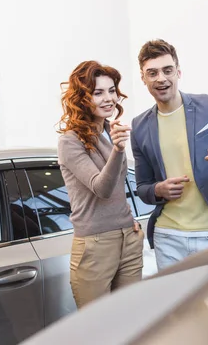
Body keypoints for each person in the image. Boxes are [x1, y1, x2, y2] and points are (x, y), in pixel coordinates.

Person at [130, 39, 208, 271]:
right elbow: (142, 187)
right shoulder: (139, 126)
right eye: (152, 73)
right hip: (168, 237)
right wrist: (158, 190)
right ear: (143, 78)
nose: (161, 78)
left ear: (178, 72)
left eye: (167, 70)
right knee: (177, 308)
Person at [57, 60, 143, 309]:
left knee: (133, 325)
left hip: (128, 237)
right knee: (100, 330)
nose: (109, 98)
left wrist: (127, 222)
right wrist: (117, 149)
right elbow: (101, 188)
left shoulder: (109, 130)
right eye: (98, 92)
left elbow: (119, 188)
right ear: (82, 98)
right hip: (94, 245)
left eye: (112, 90)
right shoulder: (70, 142)